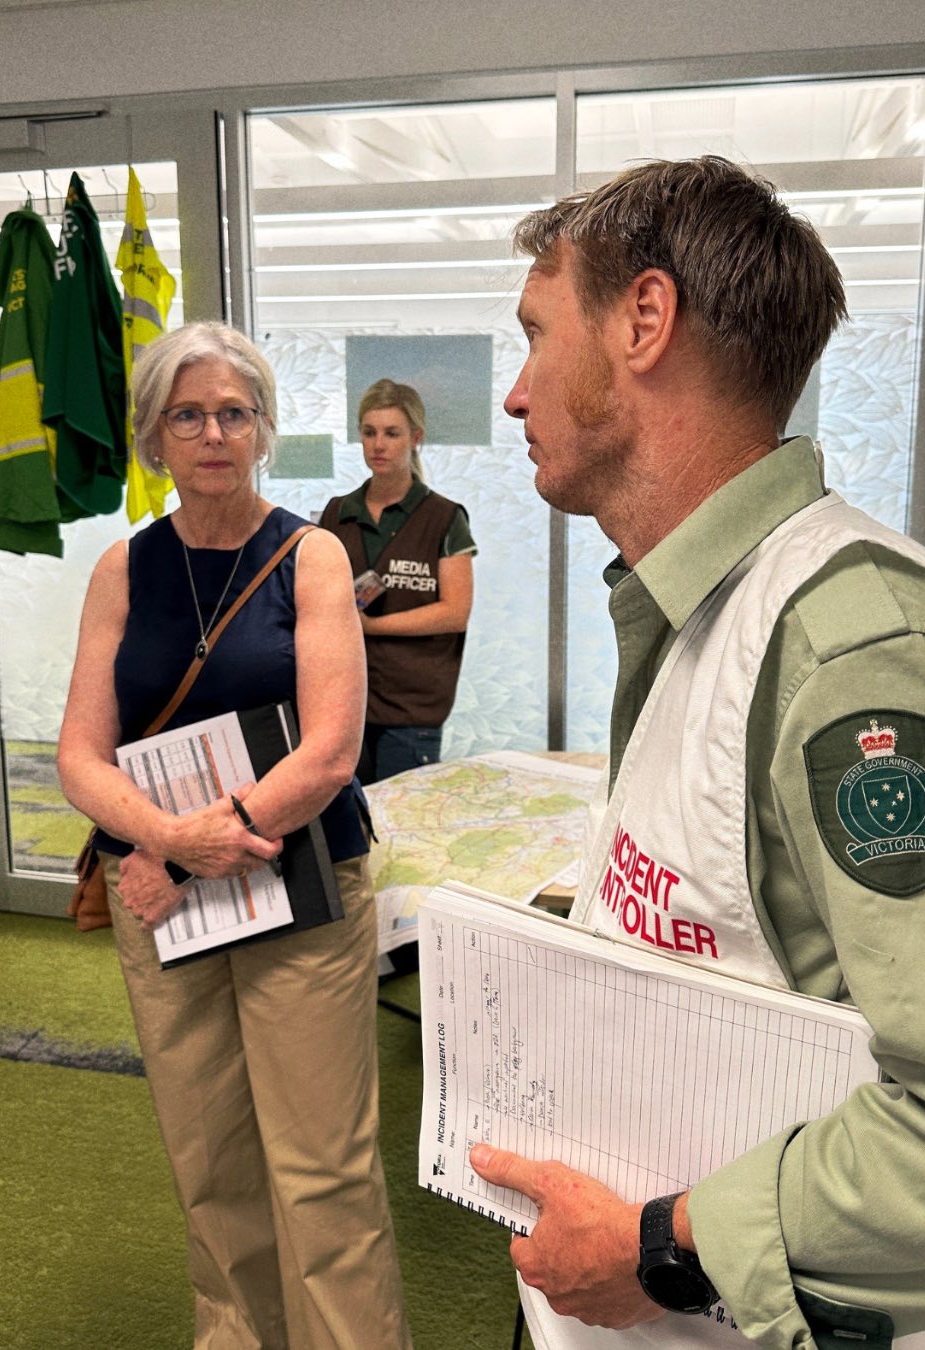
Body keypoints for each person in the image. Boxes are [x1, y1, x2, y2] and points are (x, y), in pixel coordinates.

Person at [468, 157, 925, 1348]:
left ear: (644, 319)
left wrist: (668, 1251)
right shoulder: (693, 612)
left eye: (534, 334)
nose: (515, 395)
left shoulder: (848, 650)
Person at [57, 322, 411, 1350]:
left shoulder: (313, 555)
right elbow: (82, 753)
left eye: (233, 412)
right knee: (210, 1162)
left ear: (261, 429)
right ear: (153, 438)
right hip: (164, 901)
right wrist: (165, 843)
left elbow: (333, 749)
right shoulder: (123, 570)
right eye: (188, 414)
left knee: (321, 1171)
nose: (213, 432)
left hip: (296, 885)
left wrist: (197, 842)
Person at [320, 378, 476, 785]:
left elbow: (455, 613)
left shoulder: (444, 518)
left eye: (392, 433)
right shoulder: (337, 514)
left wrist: (371, 627)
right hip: (343, 706)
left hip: (411, 712)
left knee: (400, 834)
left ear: (416, 438)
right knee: (348, 832)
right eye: (369, 433)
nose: (379, 445)